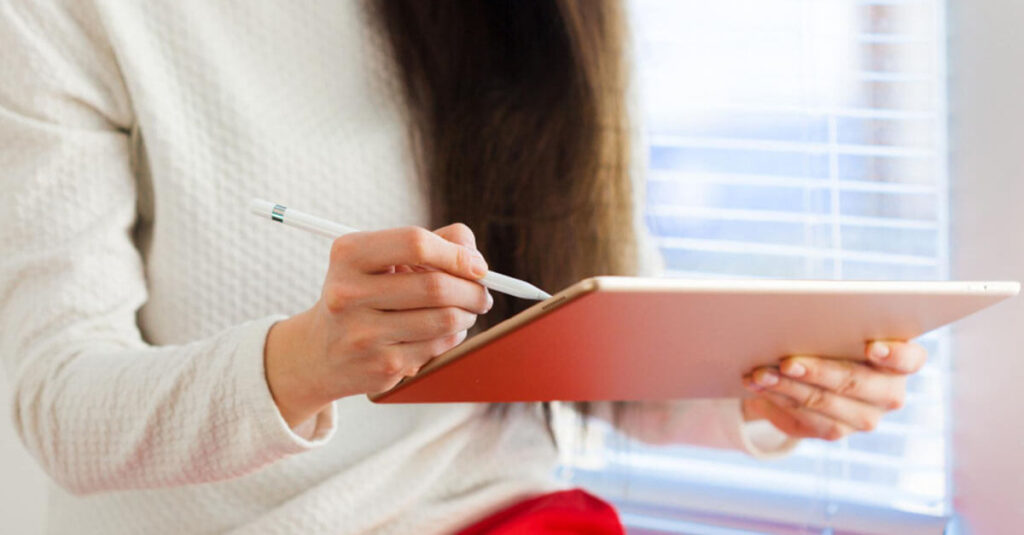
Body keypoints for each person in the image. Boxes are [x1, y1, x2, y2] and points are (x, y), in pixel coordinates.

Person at [0, 1, 926, 533]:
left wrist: (766, 389)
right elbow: (61, 411)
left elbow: (586, 334)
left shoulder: (554, 17)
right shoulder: (68, 17)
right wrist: (305, 362)